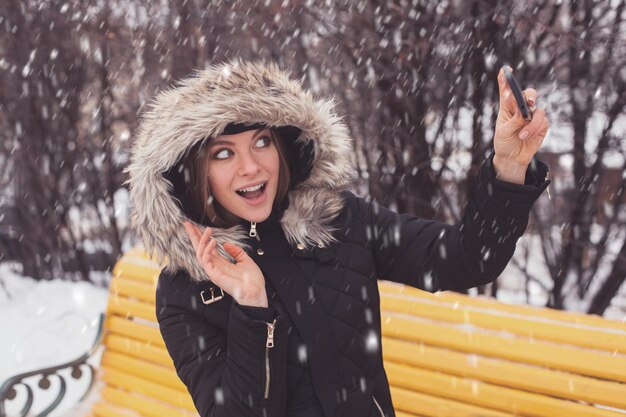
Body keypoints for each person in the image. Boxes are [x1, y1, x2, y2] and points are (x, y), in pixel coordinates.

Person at [125, 60, 550, 417]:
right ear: (194, 174)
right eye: (224, 153)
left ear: (284, 147)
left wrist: (508, 168)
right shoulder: (187, 288)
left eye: (261, 142)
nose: (250, 167)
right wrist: (252, 306)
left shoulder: (340, 220)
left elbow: (468, 259)